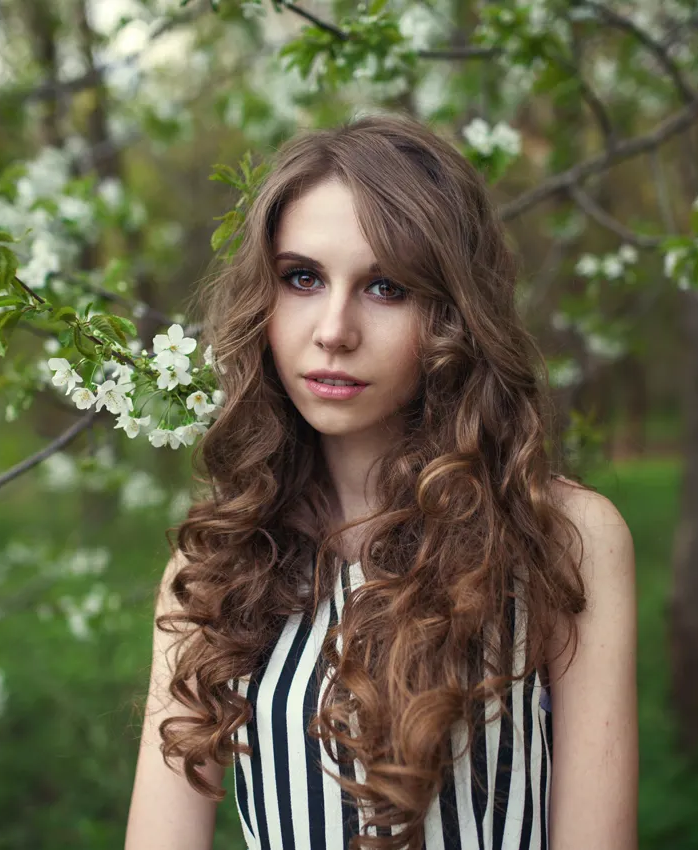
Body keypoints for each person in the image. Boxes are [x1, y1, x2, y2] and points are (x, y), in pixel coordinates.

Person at [125, 113, 637, 850]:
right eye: (302, 278)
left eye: (386, 287)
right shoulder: (215, 564)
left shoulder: (561, 537)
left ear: (454, 315)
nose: (334, 328)